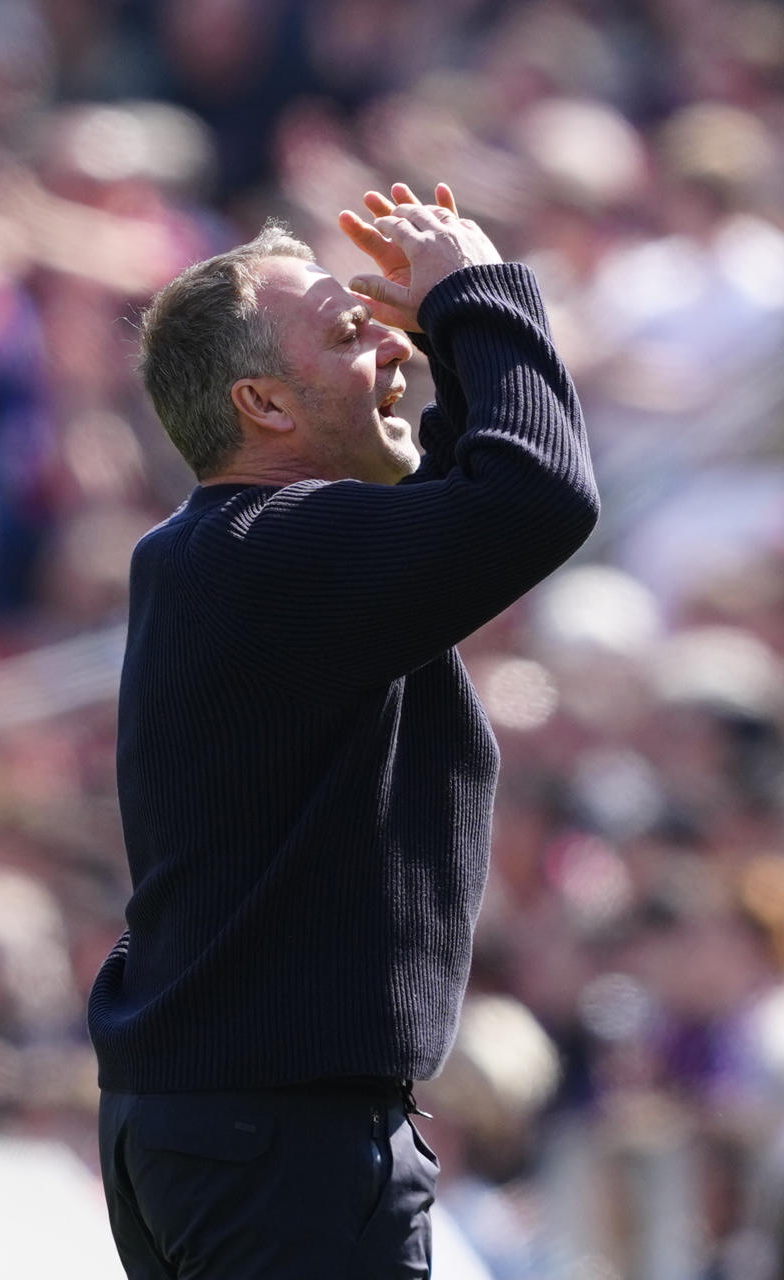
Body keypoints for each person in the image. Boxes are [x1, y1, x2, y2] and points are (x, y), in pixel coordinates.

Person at [87, 181, 599, 1278]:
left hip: (228, 1128)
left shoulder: (246, 551)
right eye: (351, 334)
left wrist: (455, 340)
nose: (395, 355)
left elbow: (475, 500)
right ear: (264, 405)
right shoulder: (272, 549)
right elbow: (535, 493)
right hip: (281, 1138)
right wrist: (477, 293)